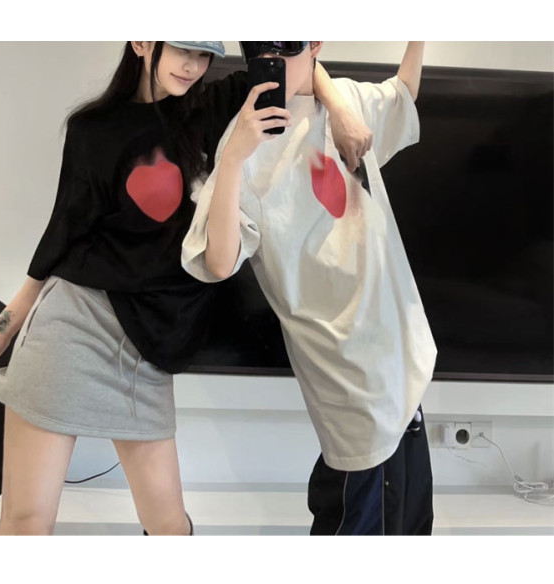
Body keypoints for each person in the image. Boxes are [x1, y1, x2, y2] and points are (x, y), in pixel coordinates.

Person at [0, 41, 370, 536]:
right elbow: (59, 241)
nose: (193, 66)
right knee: (26, 522)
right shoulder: (92, 129)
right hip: (72, 329)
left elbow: (299, 69)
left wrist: (342, 111)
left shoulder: (214, 107)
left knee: (169, 529)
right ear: (142, 41)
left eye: (204, 54)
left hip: (151, 349)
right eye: (182, 48)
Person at [182, 41, 437, 535]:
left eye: (285, 45)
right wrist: (233, 158)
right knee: (355, 524)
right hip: (343, 372)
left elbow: (403, 94)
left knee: (408, 527)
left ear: (315, 43)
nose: (270, 59)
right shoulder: (245, 142)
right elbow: (217, 262)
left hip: (400, 360)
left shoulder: (346, 103)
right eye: (257, 47)